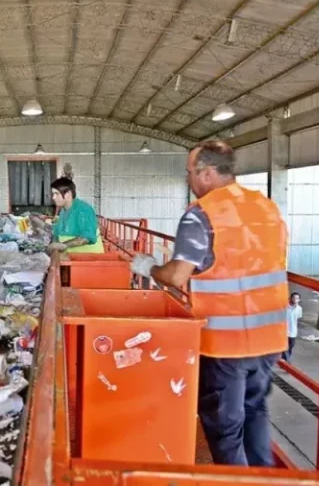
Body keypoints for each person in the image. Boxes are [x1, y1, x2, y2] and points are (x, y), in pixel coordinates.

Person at [130, 139, 288, 467]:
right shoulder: (266, 207)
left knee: (225, 428)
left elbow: (176, 275)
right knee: (255, 412)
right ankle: (266, 478)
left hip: (225, 343)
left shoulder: (201, 215)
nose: (188, 179)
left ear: (206, 174)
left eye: (190, 172)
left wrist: (148, 267)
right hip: (271, 336)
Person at [48, 177, 104, 253]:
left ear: (68, 193)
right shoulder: (63, 211)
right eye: (53, 194)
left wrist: (61, 245)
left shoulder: (83, 210)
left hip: (88, 260)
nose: (53, 197)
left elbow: (86, 238)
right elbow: (58, 230)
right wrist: (42, 225)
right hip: (71, 257)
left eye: (56, 194)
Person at [284, 292, 302, 361]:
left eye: (297, 298)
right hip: (284, 331)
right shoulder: (285, 307)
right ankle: (286, 361)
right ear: (290, 298)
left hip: (293, 332)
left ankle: (286, 359)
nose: (295, 299)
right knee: (285, 348)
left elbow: (298, 318)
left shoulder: (299, 309)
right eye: (293, 297)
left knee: (290, 347)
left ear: (299, 300)